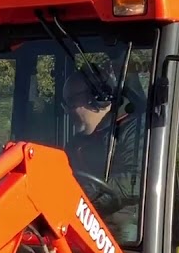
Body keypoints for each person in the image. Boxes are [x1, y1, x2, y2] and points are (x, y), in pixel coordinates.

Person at [61, 66, 144, 225]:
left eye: (71, 102)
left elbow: (136, 181)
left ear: (98, 97)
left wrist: (86, 193)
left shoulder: (135, 129)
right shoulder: (75, 144)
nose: (68, 112)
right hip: (86, 226)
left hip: (128, 230)